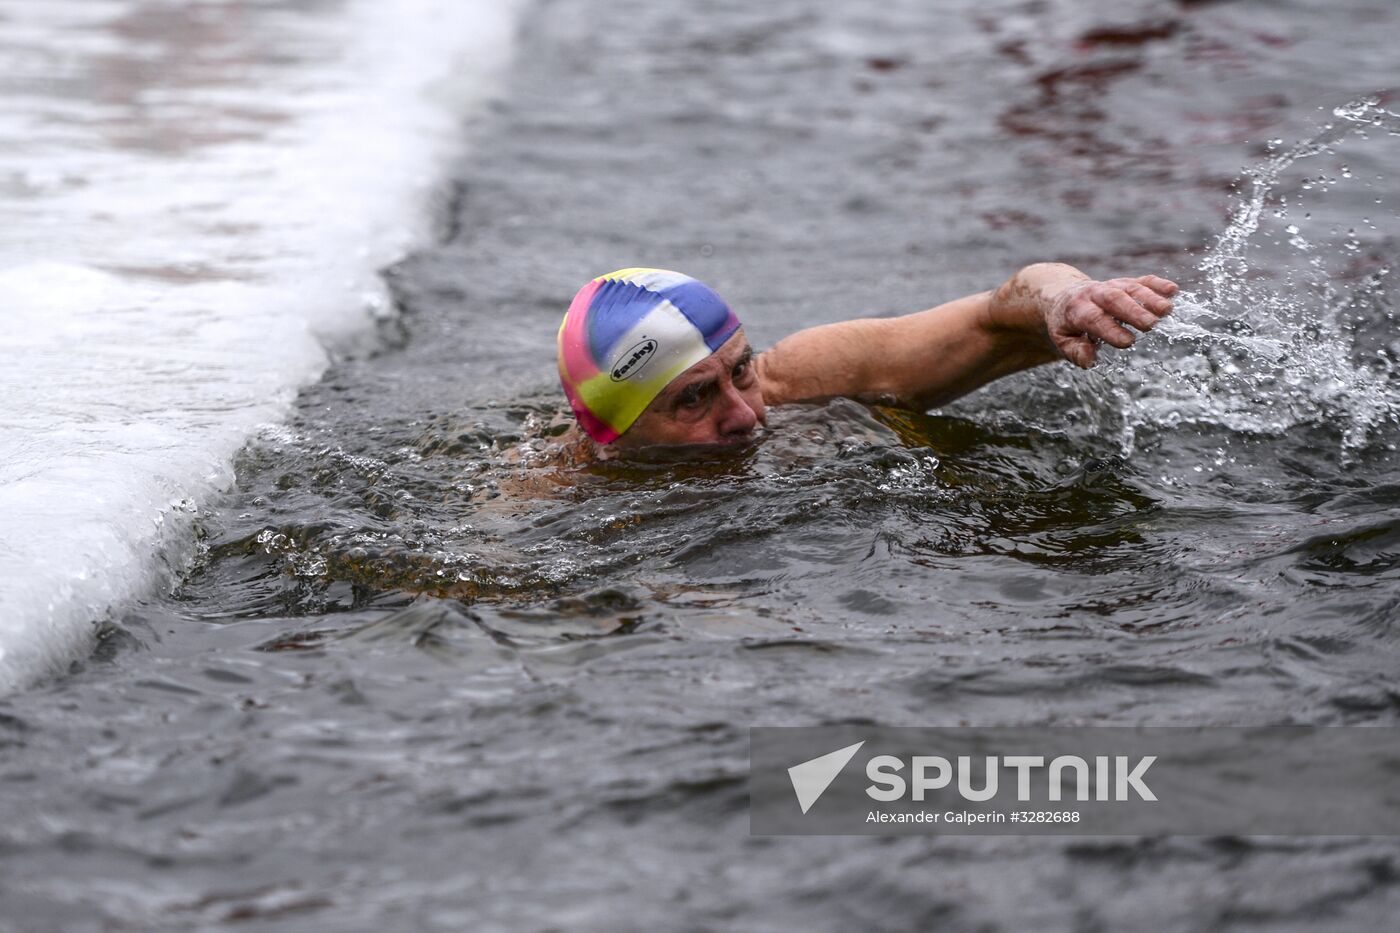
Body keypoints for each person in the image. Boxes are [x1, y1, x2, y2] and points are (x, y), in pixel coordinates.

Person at [557, 265, 1178, 457]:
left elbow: (997, 315)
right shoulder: (561, 501)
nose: (747, 414)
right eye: (694, 398)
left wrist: (1066, 298)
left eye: (740, 369)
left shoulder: (800, 378)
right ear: (612, 429)